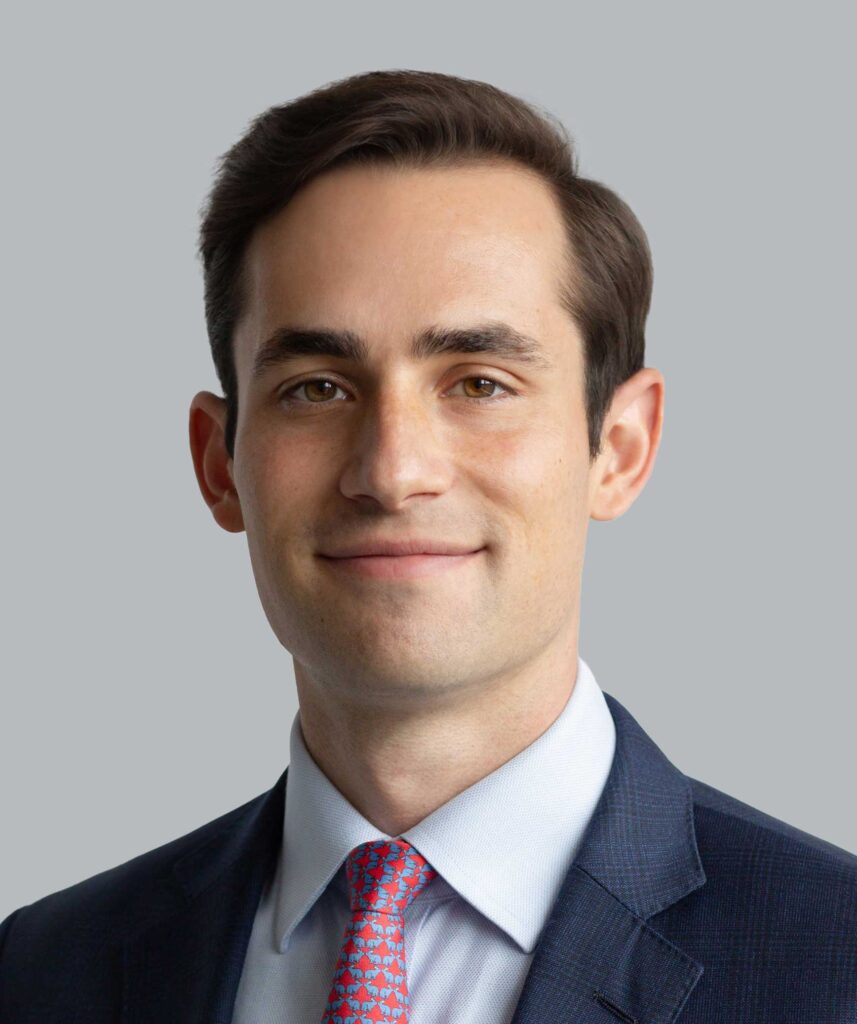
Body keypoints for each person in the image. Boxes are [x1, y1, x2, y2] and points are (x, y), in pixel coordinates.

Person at [1, 68, 855, 1024]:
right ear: (219, 465)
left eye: (479, 383)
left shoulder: (837, 962)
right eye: (317, 388)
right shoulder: (42, 972)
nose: (392, 470)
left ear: (618, 449)